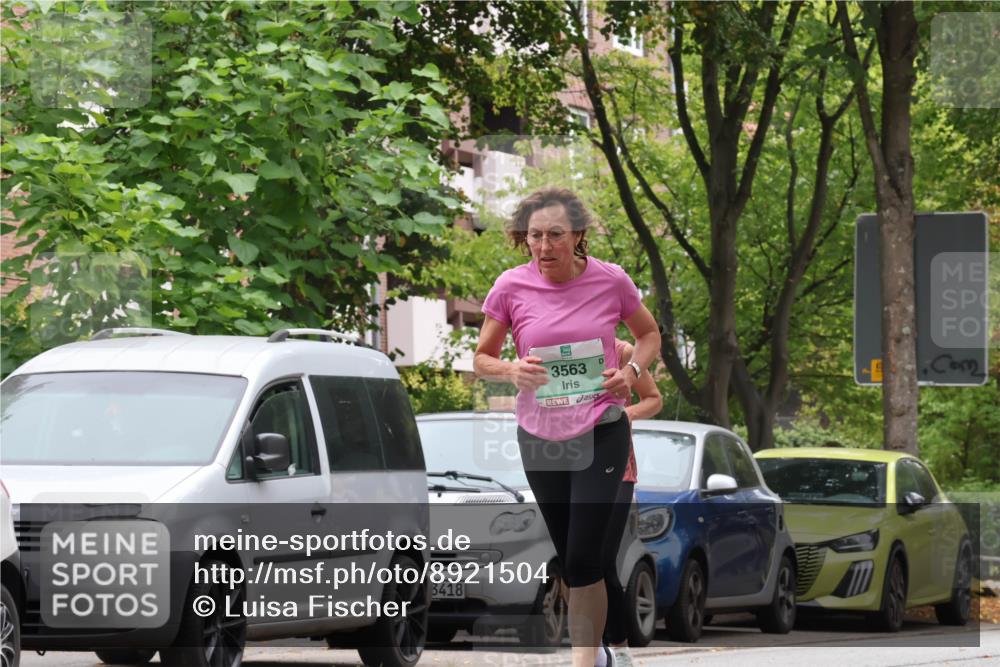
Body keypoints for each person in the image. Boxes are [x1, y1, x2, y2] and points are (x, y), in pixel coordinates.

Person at [474, 188, 661, 667]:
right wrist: (511, 371)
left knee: (582, 559)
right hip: (540, 436)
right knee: (573, 559)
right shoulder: (510, 287)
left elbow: (648, 334)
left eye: (555, 234)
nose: (544, 245)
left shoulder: (611, 281)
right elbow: (481, 358)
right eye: (534, 235)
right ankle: (603, 651)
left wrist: (631, 374)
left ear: (577, 236)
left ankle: (587, 661)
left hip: (601, 428)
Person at [596, 338, 663, 667]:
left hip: (617, 470)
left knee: (603, 559)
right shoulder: (553, 347)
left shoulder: (623, 352)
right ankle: (596, 648)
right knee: (576, 563)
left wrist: (625, 415)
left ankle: (618, 649)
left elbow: (654, 399)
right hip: (568, 466)